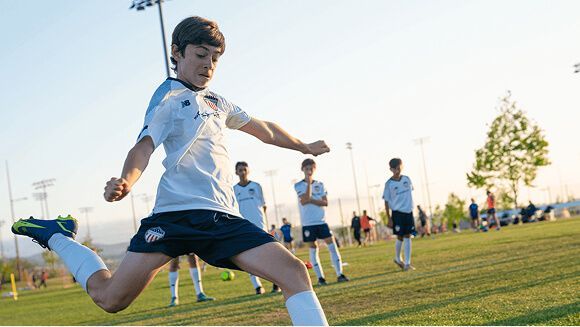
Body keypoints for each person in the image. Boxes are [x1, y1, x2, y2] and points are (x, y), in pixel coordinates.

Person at [12, 16, 329, 325]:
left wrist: (303, 146)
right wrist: (127, 181)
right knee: (110, 298)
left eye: (215, 58)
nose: (208, 65)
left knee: (294, 273)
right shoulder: (168, 97)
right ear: (176, 53)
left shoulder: (218, 102)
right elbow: (144, 145)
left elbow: (265, 129)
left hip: (222, 219)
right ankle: (58, 236)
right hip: (175, 216)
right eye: (201, 55)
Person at [294, 159, 349, 285]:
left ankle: (340, 274)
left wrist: (311, 200)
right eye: (307, 168)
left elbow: (325, 202)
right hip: (308, 223)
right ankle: (321, 278)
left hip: (321, 221)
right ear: (302, 169)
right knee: (313, 249)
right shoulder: (298, 185)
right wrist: (308, 184)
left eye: (312, 168)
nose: (309, 170)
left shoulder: (320, 184)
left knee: (332, 245)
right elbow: (304, 200)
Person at [234, 161, 280, 294]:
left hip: (260, 226)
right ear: (236, 172)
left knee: (269, 256)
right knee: (248, 259)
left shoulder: (256, 186)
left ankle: (276, 283)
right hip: (243, 228)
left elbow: (264, 206)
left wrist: (263, 222)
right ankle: (257, 286)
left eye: (244, 169)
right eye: (240, 170)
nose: (242, 172)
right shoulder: (234, 190)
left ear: (248, 171)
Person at [383, 158, 416, 271]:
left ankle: (407, 263)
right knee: (400, 236)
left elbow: (410, 194)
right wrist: (389, 218)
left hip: (408, 212)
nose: (398, 170)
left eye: (399, 167)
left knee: (408, 235)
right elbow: (386, 201)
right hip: (397, 213)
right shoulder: (389, 184)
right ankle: (398, 258)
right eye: (395, 168)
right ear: (391, 169)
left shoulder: (407, 179)